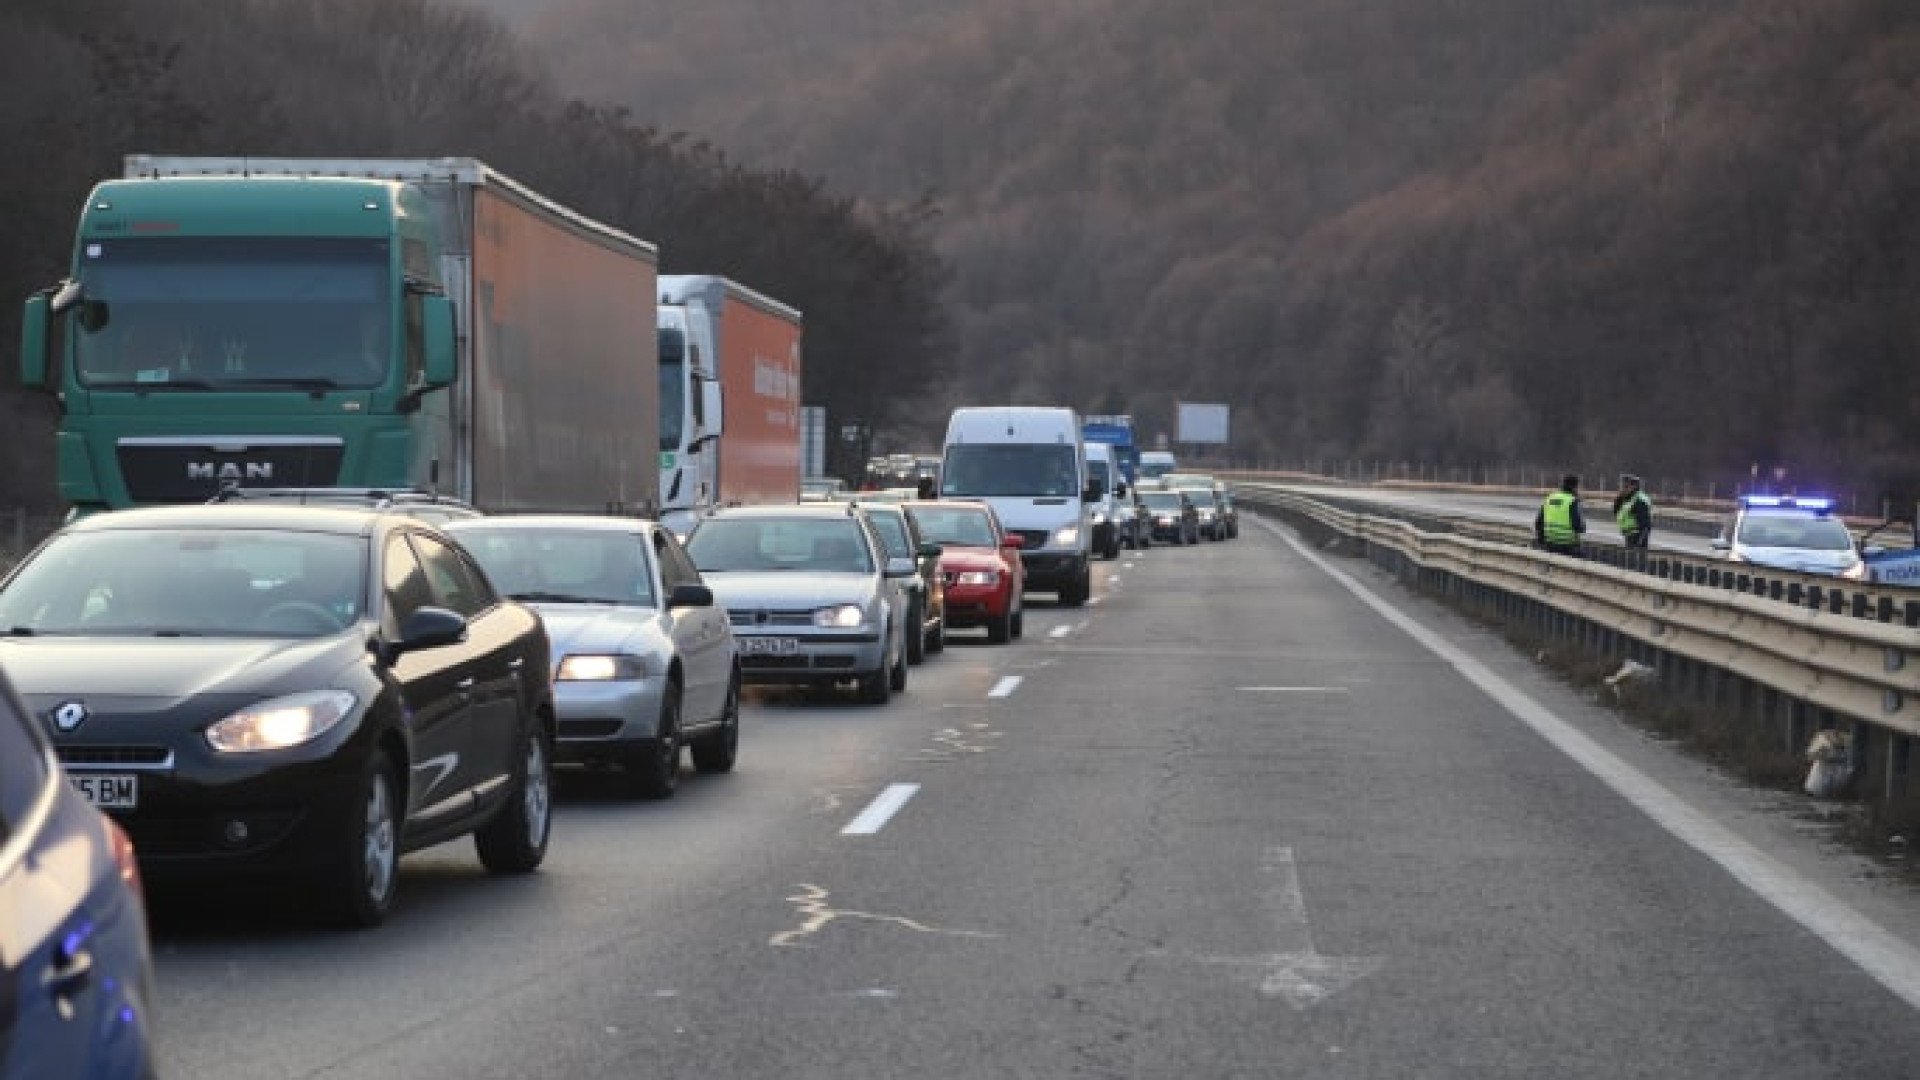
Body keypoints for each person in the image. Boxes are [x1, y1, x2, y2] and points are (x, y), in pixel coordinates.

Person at [1534, 473, 1586, 556]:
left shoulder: (1550, 498)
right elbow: (1578, 526)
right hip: (1567, 545)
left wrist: (1542, 540)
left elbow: (1538, 522)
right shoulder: (1572, 501)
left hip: (1549, 543)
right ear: (1574, 487)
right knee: (1583, 560)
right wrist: (1582, 528)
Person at [1613, 474, 1653, 549]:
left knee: (1635, 558)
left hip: (1637, 536)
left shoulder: (1640, 500)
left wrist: (1640, 541)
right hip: (1629, 534)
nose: (1623, 489)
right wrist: (1619, 499)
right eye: (1622, 486)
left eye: (1626, 486)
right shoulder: (1627, 498)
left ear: (1634, 487)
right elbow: (1617, 512)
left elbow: (1646, 524)